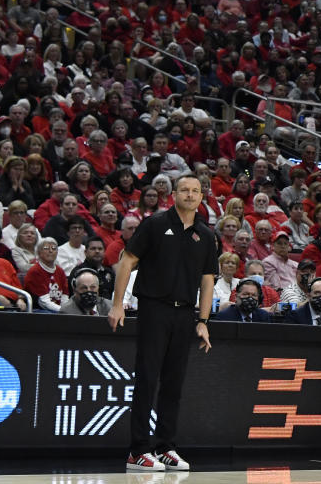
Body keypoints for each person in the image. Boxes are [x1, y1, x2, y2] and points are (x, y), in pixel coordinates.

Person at [109, 174, 217, 472]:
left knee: (174, 383)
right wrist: (118, 304)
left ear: (201, 197)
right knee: (147, 379)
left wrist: (203, 320)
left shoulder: (206, 235)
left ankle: (165, 446)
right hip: (153, 308)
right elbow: (127, 261)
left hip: (185, 314)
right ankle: (138, 450)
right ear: (174, 194)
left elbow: (208, 280)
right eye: (185, 189)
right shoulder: (155, 224)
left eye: (196, 191)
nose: (190, 195)